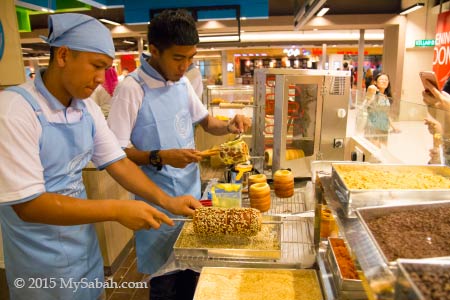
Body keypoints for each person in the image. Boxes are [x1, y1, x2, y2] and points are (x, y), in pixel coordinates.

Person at [0, 13, 200, 300]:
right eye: (96, 66)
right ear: (64, 55)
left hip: (83, 248)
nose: (100, 79)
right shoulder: (15, 110)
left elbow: (117, 161)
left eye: (106, 68)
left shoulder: (86, 108)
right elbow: (29, 206)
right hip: (39, 262)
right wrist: (117, 210)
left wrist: (168, 202)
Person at [107, 9, 251, 300]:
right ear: (154, 50)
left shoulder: (183, 83)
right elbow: (117, 153)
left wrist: (229, 124)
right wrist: (160, 156)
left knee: (192, 278)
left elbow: (206, 122)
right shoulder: (131, 89)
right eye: (177, 58)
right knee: (165, 283)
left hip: (191, 196)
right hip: (156, 203)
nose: (185, 66)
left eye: (191, 58)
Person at [363, 73, 400, 146]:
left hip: (384, 127)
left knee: (383, 151)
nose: (384, 81)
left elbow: (386, 114)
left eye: (386, 80)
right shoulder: (372, 93)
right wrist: (371, 91)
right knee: (373, 152)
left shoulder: (386, 97)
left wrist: (393, 127)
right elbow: (365, 105)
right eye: (381, 79)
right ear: (375, 82)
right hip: (372, 127)